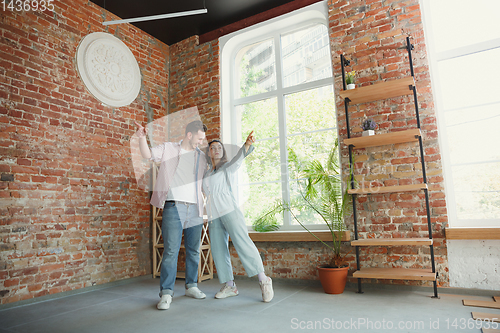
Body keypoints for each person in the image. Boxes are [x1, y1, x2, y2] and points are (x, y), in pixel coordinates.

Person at [135, 120, 208, 310]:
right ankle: (166, 293)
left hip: (195, 209)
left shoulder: (201, 157)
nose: (201, 142)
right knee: (170, 251)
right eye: (199, 138)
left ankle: (191, 286)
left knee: (193, 250)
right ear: (189, 134)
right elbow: (147, 154)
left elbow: (205, 182)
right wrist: (142, 137)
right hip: (173, 206)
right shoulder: (168, 149)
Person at [203, 131, 274, 302]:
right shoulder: (206, 174)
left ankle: (264, 281)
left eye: (219, 147)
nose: (217, 149)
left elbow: (237, 160)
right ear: (209, 153)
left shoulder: (227, 167)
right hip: (214, 215)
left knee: (243, 243)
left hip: (230, 211)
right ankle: (230, 286)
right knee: (219, 249)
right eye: (213, 148)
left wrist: (247, 144)